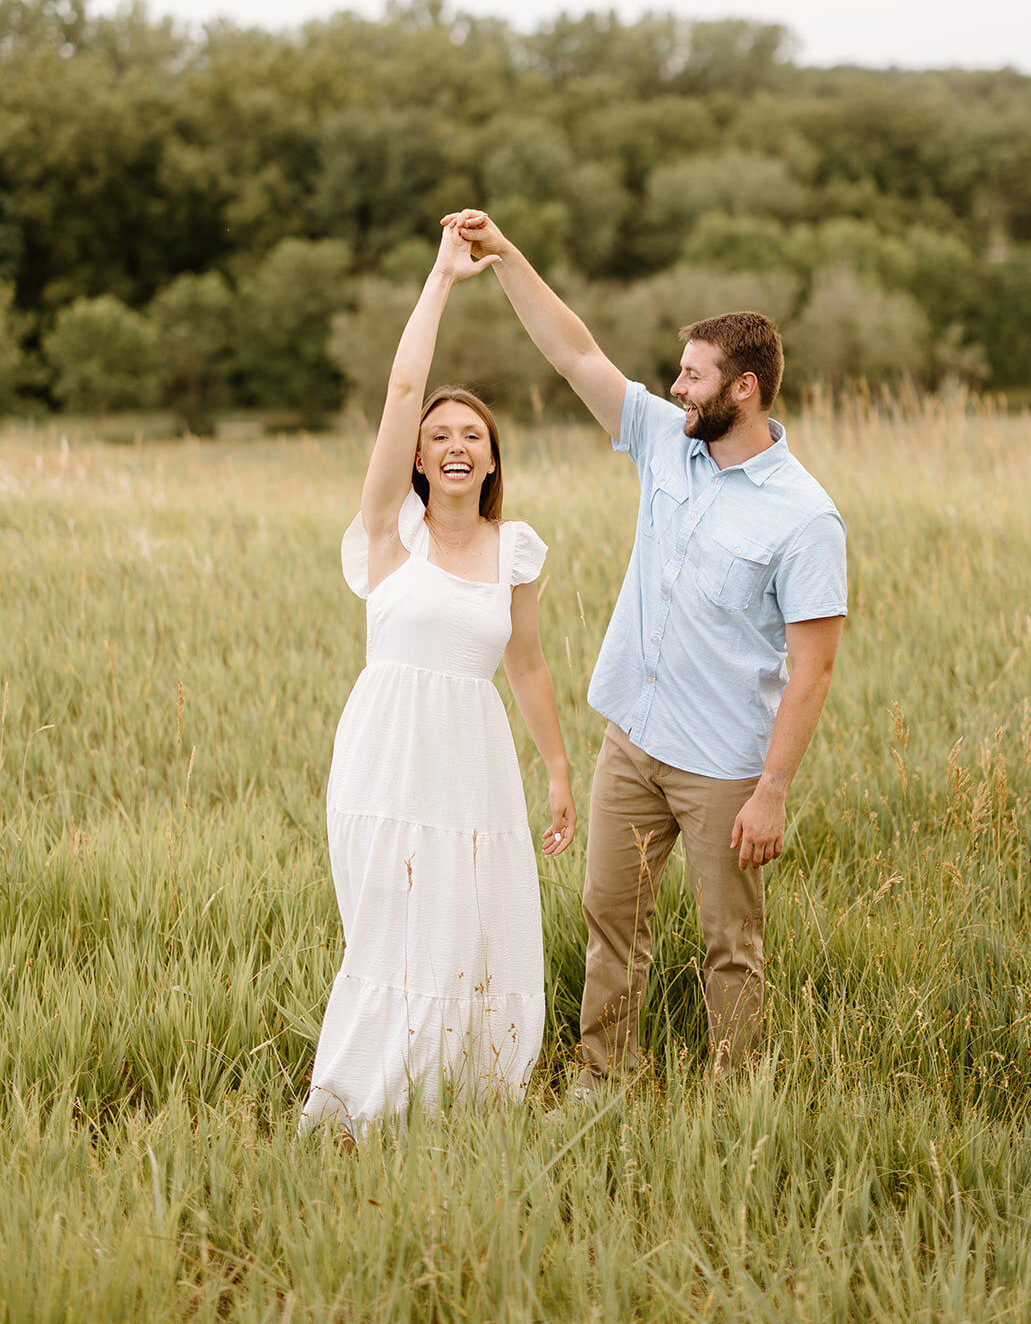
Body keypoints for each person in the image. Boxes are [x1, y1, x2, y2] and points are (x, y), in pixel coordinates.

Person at [443, 208, 846, 1094]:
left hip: (723, 768)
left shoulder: (805, 518)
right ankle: (600, 1082)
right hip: (631, 739)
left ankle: (738, 1103)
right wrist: (505, 255)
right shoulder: (667, 442)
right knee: (609, 919)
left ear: (742, 389)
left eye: (692, 376)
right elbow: (574, 353)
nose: (675, 387)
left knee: (728, 947)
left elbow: (813, 667)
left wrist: (770, 791)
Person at [300, 222, 576, 1138]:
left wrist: (561, 772)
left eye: (473, 435)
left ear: (492, 459)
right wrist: (443, 278)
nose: (454, 443)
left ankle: (456, 1098)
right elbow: (402, 385)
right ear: (417, 459)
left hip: (475, 760)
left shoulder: (516, 551)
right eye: (438, 436)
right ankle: (357, 1097)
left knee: (467, 921)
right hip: (384, 756)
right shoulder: (390, 535)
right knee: (388, 925)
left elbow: (527, 664)